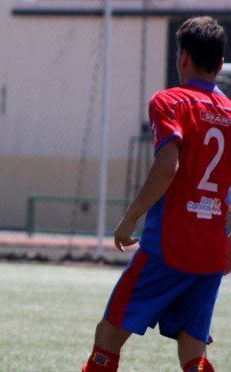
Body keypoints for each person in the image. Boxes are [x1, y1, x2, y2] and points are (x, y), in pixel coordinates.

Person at [83, 16, 230, 372]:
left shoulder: (170, 102)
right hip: (214, 251)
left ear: (182, 57)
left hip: (170, 247)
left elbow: (167, 166)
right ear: (219, 61)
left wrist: (130, 217)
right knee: (192, 347)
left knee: (108, 335)